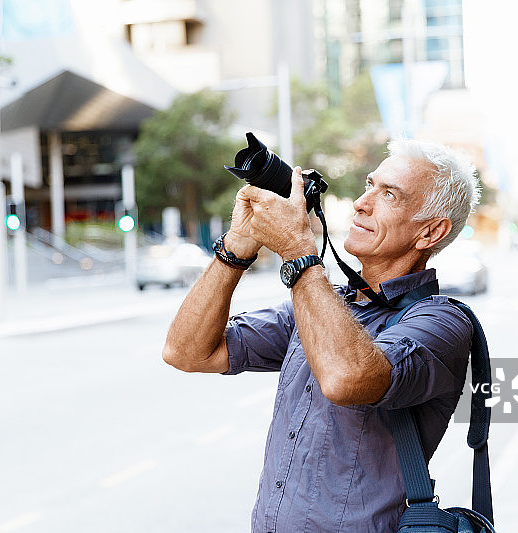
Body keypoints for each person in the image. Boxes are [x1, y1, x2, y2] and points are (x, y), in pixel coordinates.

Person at [162, 138, 480, 532]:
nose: (363, 202)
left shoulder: (442, 324)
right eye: (370, 185)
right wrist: (236, 249)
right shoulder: (323, 306)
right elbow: (187, 352)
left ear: (431, 232)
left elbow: (346, 377)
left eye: (390, 195)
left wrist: (299, 250)